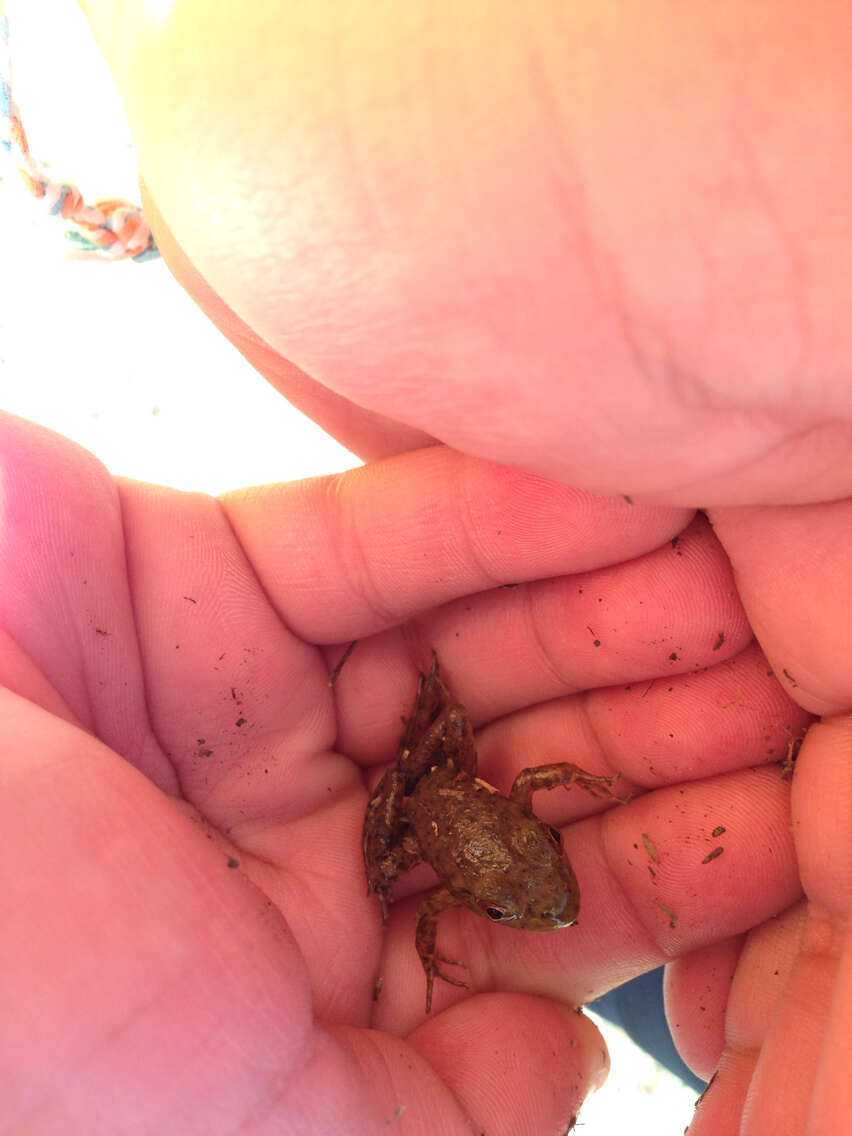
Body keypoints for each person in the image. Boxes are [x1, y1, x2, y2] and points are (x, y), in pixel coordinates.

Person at [3, 2, 851, 1131]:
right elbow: (452, 902)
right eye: (526, 889)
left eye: (529, 888)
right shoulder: (457, 859)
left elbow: (518, 826)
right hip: (448, 807)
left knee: (679, 952)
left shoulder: (496, 838)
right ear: (489, 878)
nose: (537, 894)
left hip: (461, 802)